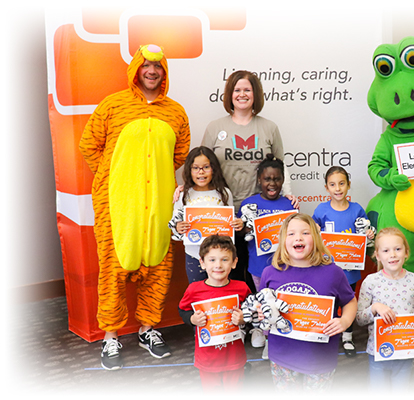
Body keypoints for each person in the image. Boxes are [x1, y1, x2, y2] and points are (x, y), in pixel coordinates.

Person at [79, 44, 190, 371]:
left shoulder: (176, 112)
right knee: (113, 270)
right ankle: (110, 336)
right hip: (116, 205)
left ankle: (148, 329)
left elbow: (179, 154)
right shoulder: (113, 105)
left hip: (158, 204)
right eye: (146, 66)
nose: (152, 72)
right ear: (136, 70)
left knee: (158, 267)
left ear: (164, 72)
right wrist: (115, 177)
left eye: (158, 67)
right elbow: (89, 146)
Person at [199, 70, 298, 290]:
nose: (242, 94)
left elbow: (281, 166)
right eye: (237, 90)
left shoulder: (269, 127)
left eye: (247, 89)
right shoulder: (215, 128)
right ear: (229, 94)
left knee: (255, 267)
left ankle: (255, 316)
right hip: (222, 210)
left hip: (259, 213)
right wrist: (187, 190)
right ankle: (231, 319)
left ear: (256, 94)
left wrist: (288, 193)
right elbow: (202, 166)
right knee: (225, 266)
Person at [259, 213, 357, 392]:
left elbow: (350, 301)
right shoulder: (269, 273)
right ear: (282, 240)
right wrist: (260, 313)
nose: (298, 237)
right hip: (282, 356)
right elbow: (262, 305)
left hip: (320, 358)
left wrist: (345, 321)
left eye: (305, 233)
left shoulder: (333, 273)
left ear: (316, 238)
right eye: (291, 234)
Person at [312, 166, 375, 357]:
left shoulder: (357, 210)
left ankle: (347, 337)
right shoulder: (321, 210)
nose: (337, 188)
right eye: (332, 184)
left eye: (341, 183)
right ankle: (327, 336)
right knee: (328, 302)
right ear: (326, 187)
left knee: (347, 301)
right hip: (327, 269)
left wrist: (369, 234)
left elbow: (365, 235)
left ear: (348, 185)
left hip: (350, 269)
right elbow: (313, 234)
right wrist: (314, 229)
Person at [355, 227, 414, 391]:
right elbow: (359, 319)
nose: (392, 255)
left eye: (398, 249)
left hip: (406, 350)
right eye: (386, 250)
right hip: (377, 351)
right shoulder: (370, 282)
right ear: (378, 255)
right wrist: (375, 308)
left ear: (406, 252)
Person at [178, 235, 252, 391]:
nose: (218, 265)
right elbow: (183, 310)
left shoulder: (242, 288)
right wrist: (192, 319)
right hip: (207, 358)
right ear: (202, 263)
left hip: (234, 356)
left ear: (234, 263)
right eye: (212, 260)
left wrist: (244, 318)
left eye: (224, 260)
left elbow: (253, 313)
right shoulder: (194, 290)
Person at [237, 154, 295, 351]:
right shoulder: (248, 204)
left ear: (283, 180)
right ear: (259, 180)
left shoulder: (289, 205)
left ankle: (281, 333)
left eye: (277, 179)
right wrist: (245, 229)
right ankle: (263, 332)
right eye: (267, 179)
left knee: (282, 301)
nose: (272, 183)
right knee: (263, 301)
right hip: (258, 266)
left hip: (285, 266)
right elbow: (240, 229)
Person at [168, 146, 244, 283]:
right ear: (189, 170)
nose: (201, 172)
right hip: (194, 255)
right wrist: (178, 227)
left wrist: (237, 224)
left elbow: (230, 222)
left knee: (221, 293)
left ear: (214, 169)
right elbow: (174, 227)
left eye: (206, 167)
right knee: (198, 293)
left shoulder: (224, 193)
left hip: (221, 257)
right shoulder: (183, 195)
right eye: (195, 168)